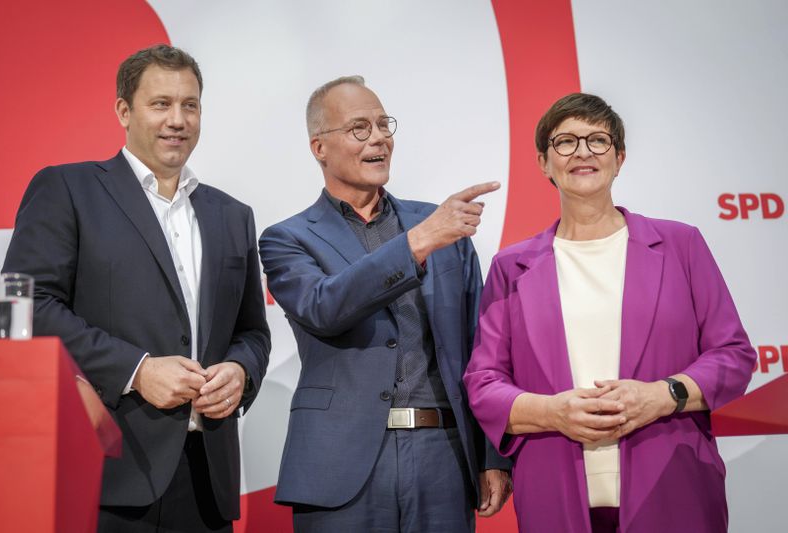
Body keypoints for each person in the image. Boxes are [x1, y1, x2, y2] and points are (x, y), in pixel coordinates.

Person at [2, 44, 270, 532]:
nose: (178, 119)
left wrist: (240, 371)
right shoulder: (68, 190)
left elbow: (253, 331)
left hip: (209, 479)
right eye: (160, 103)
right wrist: (137, 370)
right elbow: (29, 305)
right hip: (105, 472)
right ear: (124, 111)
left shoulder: (233, 215)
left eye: (190, 105)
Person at [463, 93, 756, 533]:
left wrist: (662, 395)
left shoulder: (681, 245)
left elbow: (733, 356)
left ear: (619, 159)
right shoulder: (512, 267)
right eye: (565, 142)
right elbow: (484, 384)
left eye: (598, 140)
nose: (582, 152)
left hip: (674, 488)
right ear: (544, 162)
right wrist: (552, 412)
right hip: (553, 495)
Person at [258, 75, 511, 532]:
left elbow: (481, 350)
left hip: (444, 456)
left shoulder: (439, 227)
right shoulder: (287, 238)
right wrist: (417, 244)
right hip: (340, 463)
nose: (378, 138)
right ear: (319, 147)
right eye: (359, 128)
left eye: (383, 124)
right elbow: (323, 307)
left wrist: (492, 452)